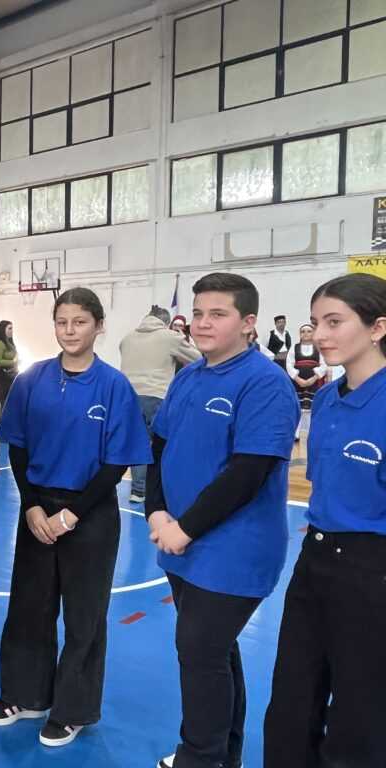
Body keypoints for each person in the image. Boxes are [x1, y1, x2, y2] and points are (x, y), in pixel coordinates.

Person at [0, 288, 151, 748]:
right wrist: (33, 506)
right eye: (62, 322)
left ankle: (72, 709)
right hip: (38, 507)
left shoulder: (113, 386)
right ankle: (24, 696)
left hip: (90, 513)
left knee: (84, 616)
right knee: (29, 607)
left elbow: (116, 463)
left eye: (80, 322)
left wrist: (72, 515)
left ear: (98, 326)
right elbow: (17, 447)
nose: (70, 330)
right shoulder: (32, 380)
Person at [146, 273, 299, 768]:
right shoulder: (189, 376)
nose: (203, 323)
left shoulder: (265, 383)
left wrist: (185, 528)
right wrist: (156, 509)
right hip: (180, 541)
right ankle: (222, 755)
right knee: (213, 650)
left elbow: (248, 472)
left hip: (233, 546)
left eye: (218, 314)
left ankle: (200, 757)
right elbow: (159, 445)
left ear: (249, 322)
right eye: (198, 313)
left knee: (199, 649)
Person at [264, 273, 386, 768]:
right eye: (315, 323)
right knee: (294, 690)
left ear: (378, 328)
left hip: (372, 568)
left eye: (334, 322)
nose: (319, 335)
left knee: (360, 702)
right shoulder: (329, 399)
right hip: (315, 557)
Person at [119, 305, 200, 503]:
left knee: (139, 446)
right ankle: (164, 491)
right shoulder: (170, 337)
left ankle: (138, 491)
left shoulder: (127, 338)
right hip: (157, 396)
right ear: (165, 322)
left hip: (129, 398)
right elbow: (199, 358)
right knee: (164, 445)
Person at [286, 323, 328, 440]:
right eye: (303, 331)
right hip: (297, 383)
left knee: (311, 408)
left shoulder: (319, 348)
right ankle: (296, 433)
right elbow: (289, 365)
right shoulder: (294, 348)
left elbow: (324, 364)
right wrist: (298, 379)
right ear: (299, 334)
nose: (305, 334)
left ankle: (310, 433)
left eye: (309, 331)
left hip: (314, 381)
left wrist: (313, 379)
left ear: (313, 333)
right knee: (298, 407)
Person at [0, 320, 19, 412]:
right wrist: (12, 362)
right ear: (3, 329)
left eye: (12, 328)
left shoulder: (9, 342)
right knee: (5, 403)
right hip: (2, 377)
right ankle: (2, 421)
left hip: (12, 375)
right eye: (9, 328)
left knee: (12, 403)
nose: (11, 331)